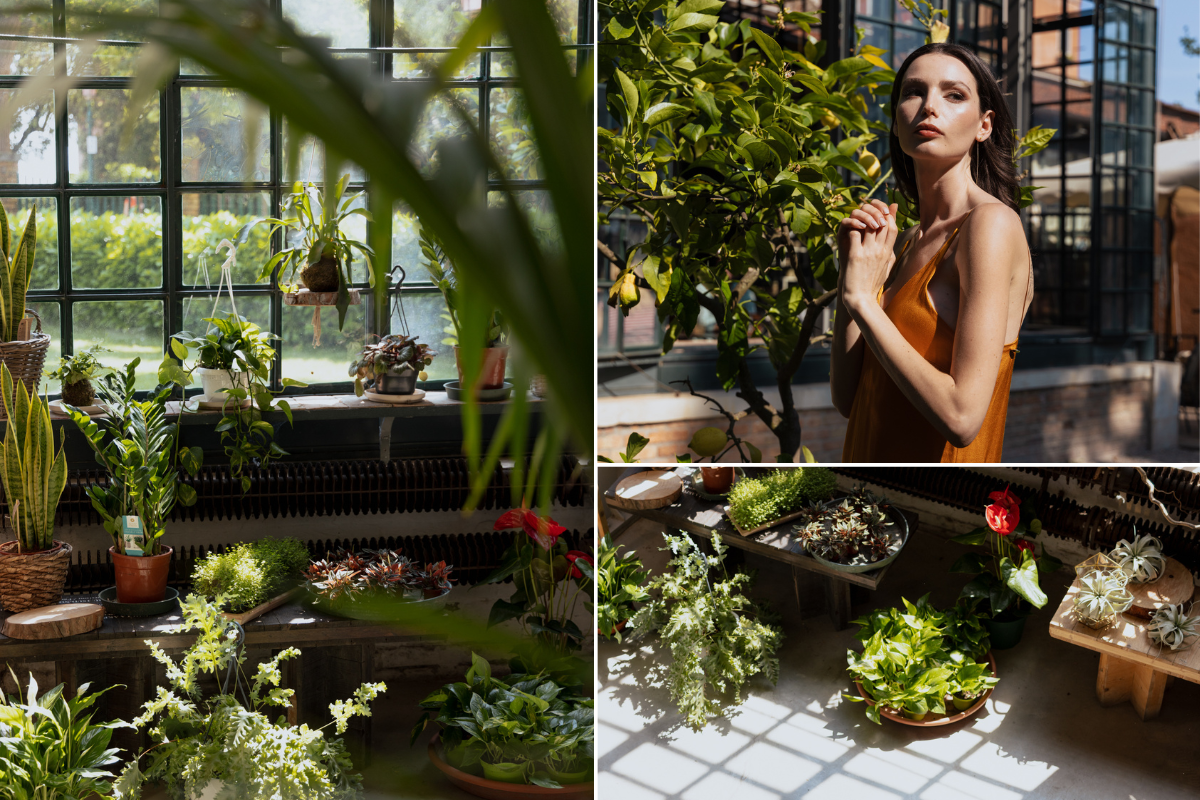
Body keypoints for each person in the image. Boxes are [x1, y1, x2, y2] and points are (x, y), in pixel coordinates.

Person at [831, 43, 1033, 462]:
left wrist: (862, 305)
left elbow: (961, 419)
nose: (929, 106)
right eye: (913, 92)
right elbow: (850, 400)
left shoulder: (990, 225)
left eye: (953, 94)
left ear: (984, 125)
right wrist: (850, 277)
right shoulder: (899, 242)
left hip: (938, 495)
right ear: (896, 121)